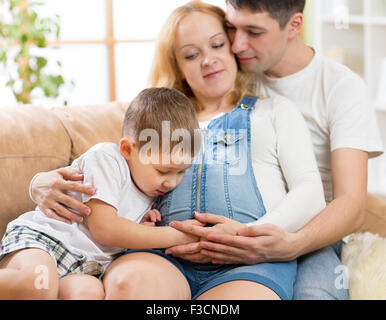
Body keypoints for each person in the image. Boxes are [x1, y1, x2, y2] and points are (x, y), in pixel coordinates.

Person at [27, 1, 326, 300]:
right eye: (191, 54)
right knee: (127, 286)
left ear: (233, 46)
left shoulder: (274, 111)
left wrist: (248, 237)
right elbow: (111, 169)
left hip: (247, 261)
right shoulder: (155, 117)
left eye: (217, 45)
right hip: (161, 256)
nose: (208, 60)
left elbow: (310, 192)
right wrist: (38, 182)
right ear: (178, 66)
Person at [165, 0, 384, 300]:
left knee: (316, 293)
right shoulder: (227, 71)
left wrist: (291, 243)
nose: (238, 44)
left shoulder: (340, 88)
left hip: (312, 233)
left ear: (294, 25)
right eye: (232, 28)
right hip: (226, 228)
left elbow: (352, 204)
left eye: (253, 32)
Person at [0, 87, 201, 299]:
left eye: (181, 172)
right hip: (47, 241)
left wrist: (140, 223)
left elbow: (122, 226)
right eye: (163, 170)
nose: (171, 182)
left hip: (85, 265)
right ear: (127, 150)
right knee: (38, 284)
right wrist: (178, 236)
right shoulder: (107, 159)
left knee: (88, 293)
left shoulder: (150, 189)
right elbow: (104, 229)